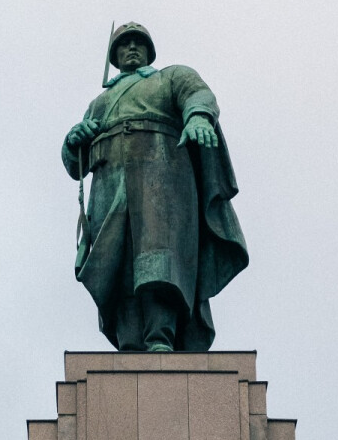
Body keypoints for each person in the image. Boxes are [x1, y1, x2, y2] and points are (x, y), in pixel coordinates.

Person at [62, 22, 248, 352]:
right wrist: (73, 141)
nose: (131, 48)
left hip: (161, 176)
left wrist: (198, 117)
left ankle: (159, 336)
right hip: (111, 184)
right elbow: (76, 165)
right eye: (123, 44)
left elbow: (199, 94)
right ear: (115, 56)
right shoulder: (100, 103)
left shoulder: (170, 77)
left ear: (148, 51)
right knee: (119, 263)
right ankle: (130, 341)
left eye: (138, 43)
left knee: (159, 259)